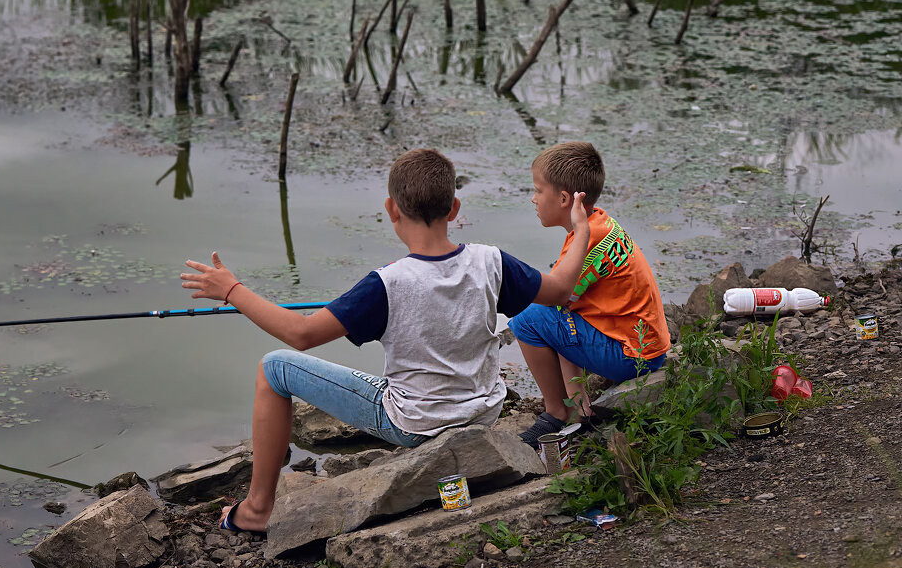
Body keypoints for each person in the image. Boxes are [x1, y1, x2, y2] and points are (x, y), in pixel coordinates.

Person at [180, 148, 591, 534]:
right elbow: (559, 289)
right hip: (483, 411)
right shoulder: (492, 261)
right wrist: (579, 228)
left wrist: (232, 289)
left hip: (414, 424)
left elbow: (300, 334)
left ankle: (256, 509)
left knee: (275, 368)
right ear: (454, 210)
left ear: (391, 209)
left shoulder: (386, 283)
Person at [509, 141, 671, 449]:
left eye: (538, 190)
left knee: (527, 319)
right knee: (553, 314)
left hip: (632, 357)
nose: (533, 198)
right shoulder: (598, 222)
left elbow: (552, 298)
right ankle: (580, 408)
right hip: (645, 344)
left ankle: (558, 411)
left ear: (563, 198)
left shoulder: (588, 241)